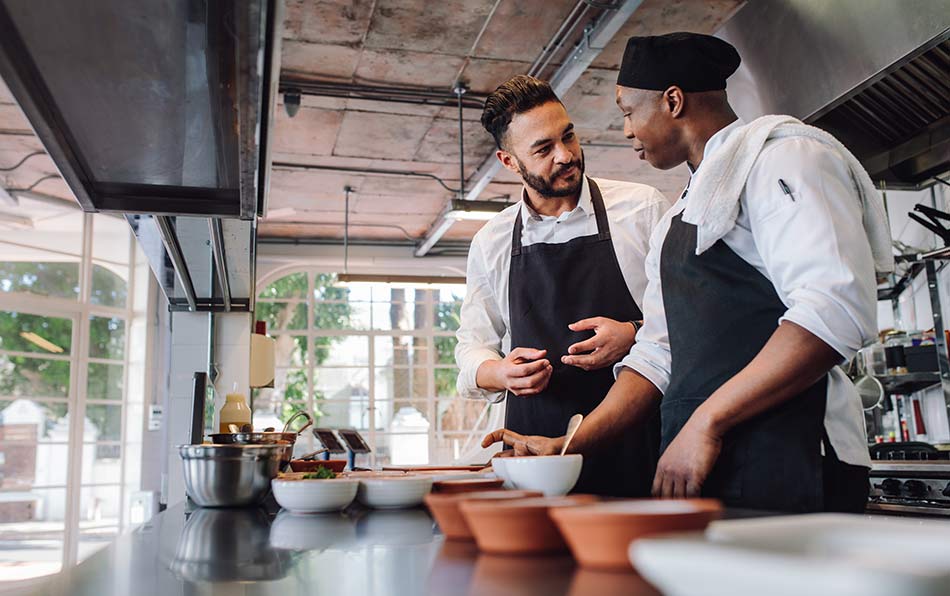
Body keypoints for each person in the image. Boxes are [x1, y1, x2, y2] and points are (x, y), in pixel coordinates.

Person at [482, 33, 893, 513]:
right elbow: (657, 354)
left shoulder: (784, 158)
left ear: (672, 102)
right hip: (707, 463)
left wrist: (706, 422)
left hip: (794, 453)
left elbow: (835, 310)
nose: (626, 131)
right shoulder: (681, 214)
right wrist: (569, 447)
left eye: (628, 112)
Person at [456, 75, 669, 496]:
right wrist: (498, 371)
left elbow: (684, 322)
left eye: (568, 136)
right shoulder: (492, 241)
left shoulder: (641, 209)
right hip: (535, 459)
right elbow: (470, 345)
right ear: (509, 161)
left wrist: (632, 334)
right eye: (543, 149)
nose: (566, 155)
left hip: (638, 444)